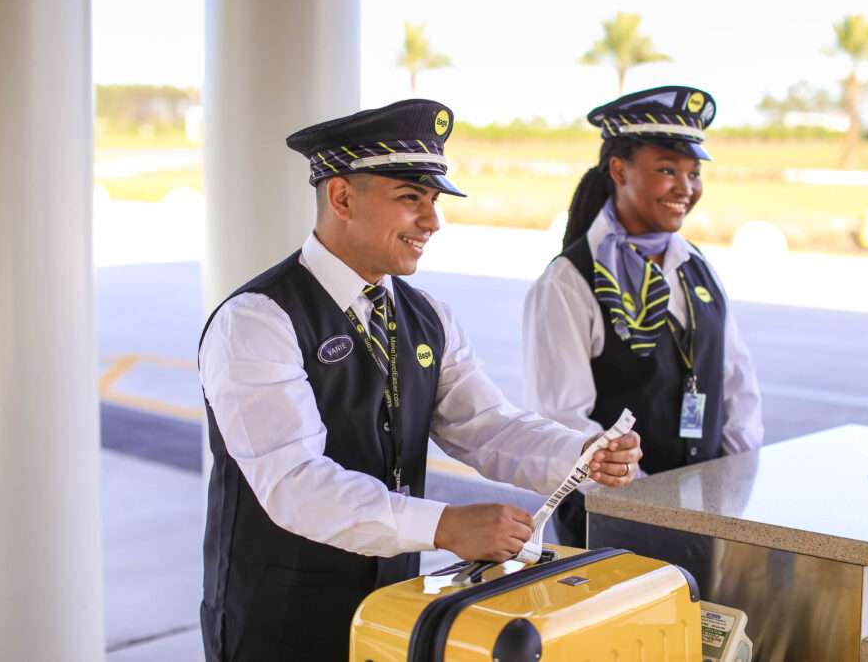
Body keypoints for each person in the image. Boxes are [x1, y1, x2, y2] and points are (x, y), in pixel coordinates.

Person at [197, 99, 643, 661]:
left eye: (432, 201)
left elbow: (483, 424)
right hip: (280, 623)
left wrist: (578, 453)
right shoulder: (259, 320)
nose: (432, 222)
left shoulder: (427, 315)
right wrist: (446, 526)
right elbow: (295, 484)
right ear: (341, 197)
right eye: (411, 200)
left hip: (391, 610)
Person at [522, 86, 763, 547]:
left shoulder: (696, 265)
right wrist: (650, 503)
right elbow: (562, 419)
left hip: (701, 520)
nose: (685, 188)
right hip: (613, 526)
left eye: (693, 174)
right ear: (618, 170)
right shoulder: (569, 282)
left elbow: (738, 384)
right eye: (667, 171)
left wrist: (736, 489)